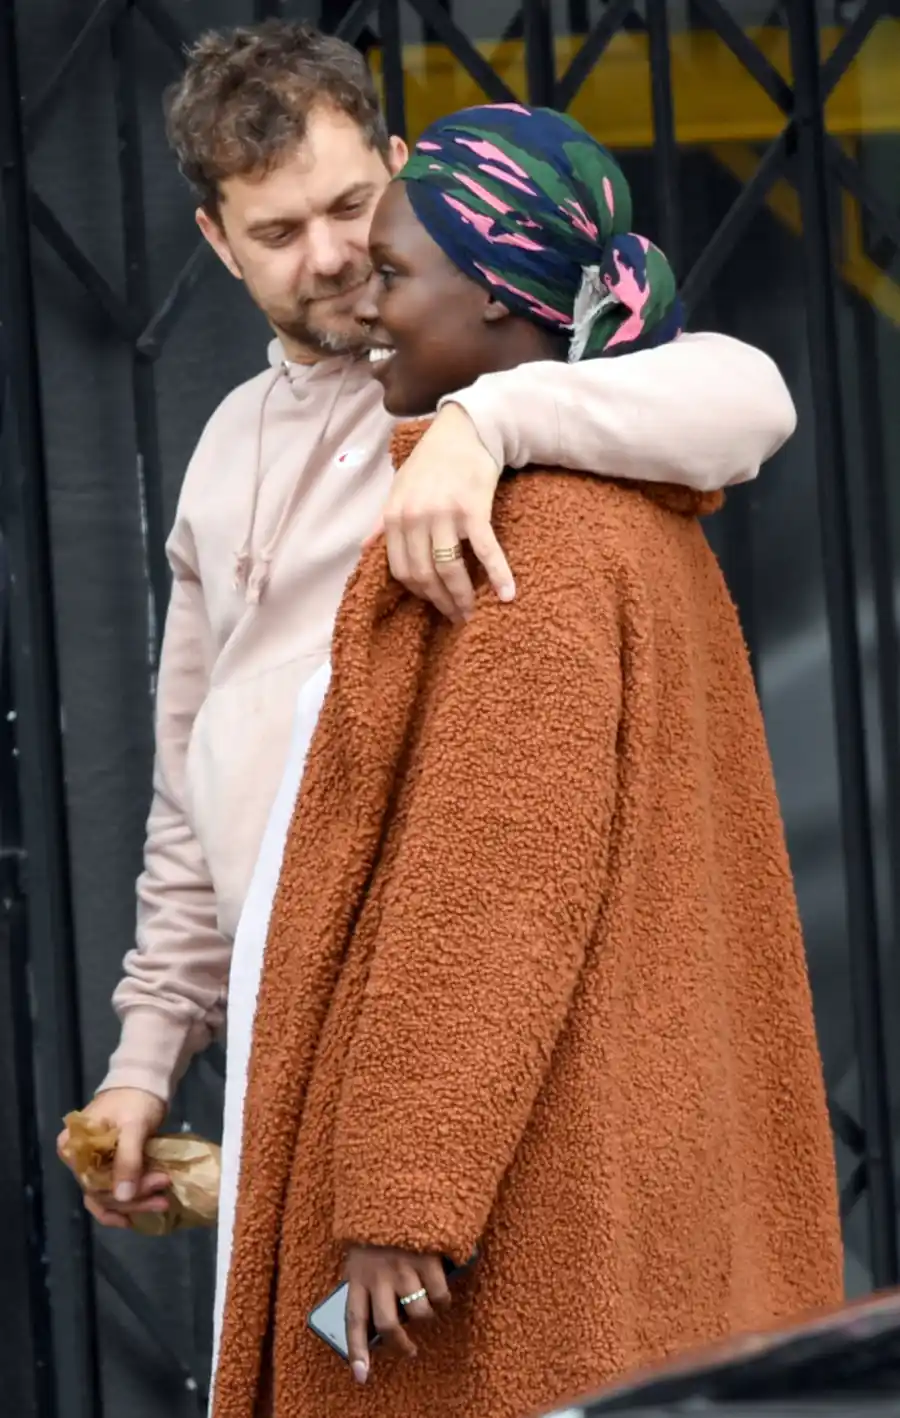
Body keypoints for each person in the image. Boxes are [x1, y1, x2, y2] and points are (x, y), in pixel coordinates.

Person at [58, 22, 798, 1229]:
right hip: (287, 1034)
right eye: (279, 233)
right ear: (216, 241)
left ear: (398, 169)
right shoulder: (219, 452)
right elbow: (188, 790)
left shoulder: (475, 351)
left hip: (474, 1037)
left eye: (355, 203)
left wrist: (486, 421)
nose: (337, 257)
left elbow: (750, 397)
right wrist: (146, 1061)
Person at [210, 105, 842, 1418]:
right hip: (581, 1156)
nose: (361, 300)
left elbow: (490, 891)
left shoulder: (530, 541)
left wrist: (399, 1191)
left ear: (501, 303)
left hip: (498, 1222)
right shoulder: (636, 523)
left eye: (392, 272)